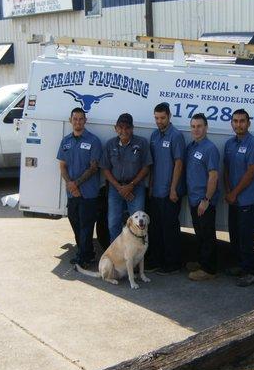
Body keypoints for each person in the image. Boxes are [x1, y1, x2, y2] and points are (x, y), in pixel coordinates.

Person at [57, 107, 103, 268]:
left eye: (80, 119)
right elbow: (62, 166)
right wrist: (70, 184)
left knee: (86, 225)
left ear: (85, 121)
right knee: (75, 222)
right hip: (72, 193)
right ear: (71, 121)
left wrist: (76, 184)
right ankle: (86, 252)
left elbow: (93, 167)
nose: (78, 122)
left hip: (88, 193)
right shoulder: (66, 141)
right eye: (75, 119)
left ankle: (83, 256)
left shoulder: (93, 141)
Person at [224, 109, 254, 287]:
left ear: (248, 123)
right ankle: (240, 266)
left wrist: (234, 193)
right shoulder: (229, 144)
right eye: (235, 121)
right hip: (233, 200)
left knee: (247, 237)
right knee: (235, 235)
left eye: (242, 121)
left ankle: (250, 271)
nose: (238, 124)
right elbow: (226, 169)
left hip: (247, 200)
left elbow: (251, 172)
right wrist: (228, 190)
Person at [147, 102, 186, 275]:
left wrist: (173, 189)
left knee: (169, 228)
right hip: (156, 191)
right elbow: (153, 164)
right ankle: (157, 261)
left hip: (170, 192)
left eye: (162, 118)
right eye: (156, 118)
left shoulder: (176, 136)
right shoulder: (154, 136)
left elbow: (179, 163)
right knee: (155, 228)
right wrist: (150, 186)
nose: (159, 121)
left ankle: (173, 264)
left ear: (169, 116)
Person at [102, 113, 152, 243]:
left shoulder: (141, 143)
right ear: (115, 128)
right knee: (113, 223)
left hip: (136, 188)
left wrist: (131, 186)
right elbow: (105, 169)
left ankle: (135, 256)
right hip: (115, 189)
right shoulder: (110, 144)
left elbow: (146, 167)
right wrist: (120, 188)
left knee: (138, 225)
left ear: (132, 128)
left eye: (127, 127)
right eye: (120, 127)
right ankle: (117, 256)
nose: (124, 131)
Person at [185, 113, 220, 281]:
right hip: (193, 199)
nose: (196, 129)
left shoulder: (210, 148)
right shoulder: (191, 147)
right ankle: (201, 262)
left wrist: (206, 200)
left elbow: (213, 176)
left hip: (204, 201)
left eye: (199, 126)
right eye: (193, 126)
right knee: (199, 234)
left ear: (206, 128)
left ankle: (209, 269)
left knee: (207, 235)